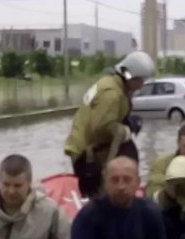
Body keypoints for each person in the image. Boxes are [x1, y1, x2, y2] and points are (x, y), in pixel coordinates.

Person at [63, 51, 155, 198]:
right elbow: (101, 127)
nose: (141, 84)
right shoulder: (112, 94)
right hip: (86, 154)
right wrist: (125, 130)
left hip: (87, 147)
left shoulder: (112, 84)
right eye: (140, 80)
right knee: (100, 197)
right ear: (130, 76)